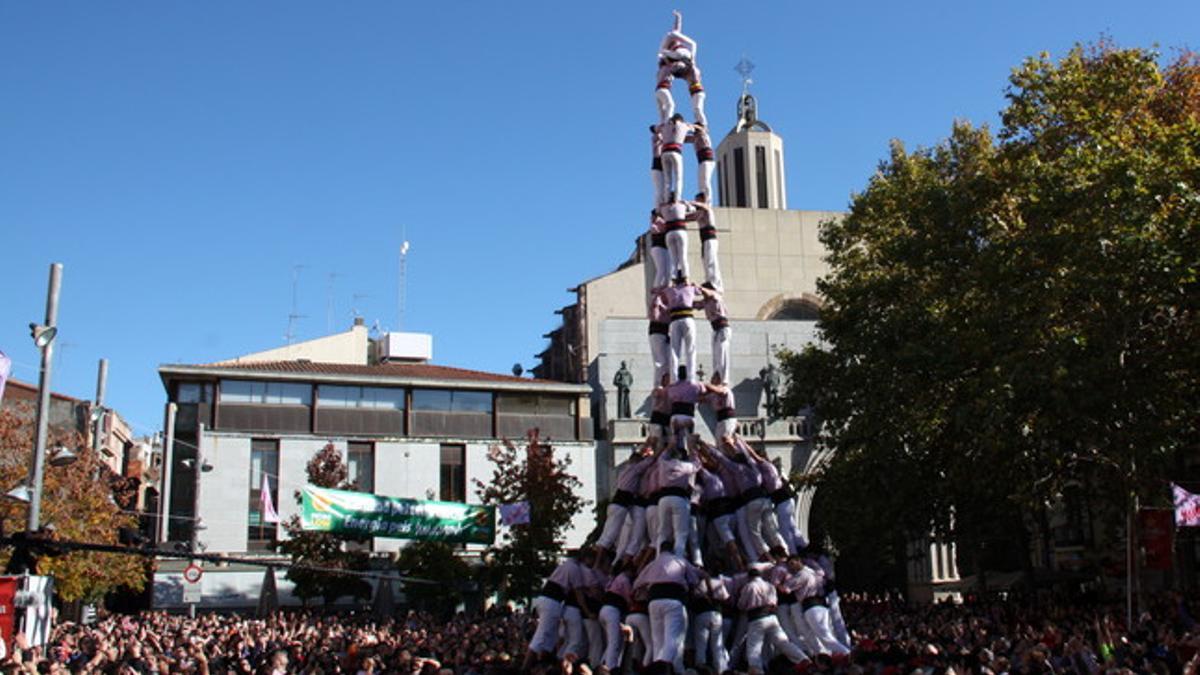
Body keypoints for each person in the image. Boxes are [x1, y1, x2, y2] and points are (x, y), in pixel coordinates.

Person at [633, 541, 702, 673]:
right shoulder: (679, 561)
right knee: (672, 637)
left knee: (658, 639)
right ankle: (663, 669)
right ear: (673, 549)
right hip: (673, 599)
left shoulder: (652, 564)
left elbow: (637, 583)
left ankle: (657, 668)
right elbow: (694, 580)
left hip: (654, 601)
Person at [738, 567, 809, 673]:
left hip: (756, 618)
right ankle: (803, 659)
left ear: (750, 577)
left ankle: (756, 670)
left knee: (754, 646)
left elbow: (742, 604)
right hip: (771, 617)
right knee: (782, 642)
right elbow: (774, 602)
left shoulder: (749, 586)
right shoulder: (769, 586)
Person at [527, 552, 585, 667]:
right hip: (552, 601)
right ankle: (525, 668)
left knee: (550, 636)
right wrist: (586, 609)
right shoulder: (574, 568)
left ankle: (544, 664)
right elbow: (578, 592)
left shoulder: (563, 565)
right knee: (541, 635)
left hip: (547, 599)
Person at [597, 445, 653, 562]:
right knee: (610, 535)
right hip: (622, 504)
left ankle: (603, 559)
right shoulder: (635, 469)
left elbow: (638, 458)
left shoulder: (625, 469)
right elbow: (649, 461)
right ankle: (597, 561)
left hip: (619, 503)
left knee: (610, 534)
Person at [655, 10, 706, 127]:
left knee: (670, 106)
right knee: (694, 108)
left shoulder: (674, 51)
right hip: (683, 61)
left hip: (683, 57)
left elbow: (676, 29)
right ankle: (665, 123)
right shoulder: (672, 64)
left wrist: (678, 18)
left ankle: (665, 123)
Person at [654, 438, 698, 560]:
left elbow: (662, 455)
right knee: (680, 533)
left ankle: (659, 560)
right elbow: (697, 464)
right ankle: (678, 560)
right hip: (679, 498)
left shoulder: (663, 463)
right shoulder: (686, 466)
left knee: (662, 533)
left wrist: (670, 444)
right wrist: (692, 448)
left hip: (663, 499)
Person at [662, 273, 702, 382]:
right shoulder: (690, 288)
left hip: (675, 320)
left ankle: (674, 379)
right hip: (688, 318)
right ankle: (691, 378)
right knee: (691, 349)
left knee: (674, 350)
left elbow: (662, 294)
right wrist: (693, 284)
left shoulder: (670, 290)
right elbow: (701, 291)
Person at [686, 192, 723, 292]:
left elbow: (704, 207)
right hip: (704, 239)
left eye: (698, 199)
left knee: (711, 259)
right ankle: (709, 280)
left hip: (710, 237)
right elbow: (689, 218)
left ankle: (715, 282)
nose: (696, 202)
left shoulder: (707, 209)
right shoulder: (699, 213)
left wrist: (690, 203)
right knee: (706, 259)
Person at [698, 282, 730, 381]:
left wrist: (699, 288)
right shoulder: (706, 301)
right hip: (715, 329)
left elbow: (711, 294)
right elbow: (696, 305)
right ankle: (717, 376)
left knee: (722, 354)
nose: (703, 295)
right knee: (716, 357)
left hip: (722, 327)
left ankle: (724, 379)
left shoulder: (716, 296)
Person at [657, 114, 692, 203]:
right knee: (678, 178)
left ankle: (666, 199)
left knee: (667, 179)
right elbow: (695, 129)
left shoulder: (665, 126)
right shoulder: (684, 126)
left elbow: (653, 128)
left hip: (664, 152)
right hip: (676, 151)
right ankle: (677, 199)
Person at [689, 124, 715, 201]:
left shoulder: (703, 135)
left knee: (706, 181)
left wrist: (691, 127)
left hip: (707, 160)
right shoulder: (695, 138)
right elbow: (684, 139)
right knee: (701, 183)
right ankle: (702, 198)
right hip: (702, 161)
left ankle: (709, 200)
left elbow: (703, 130)